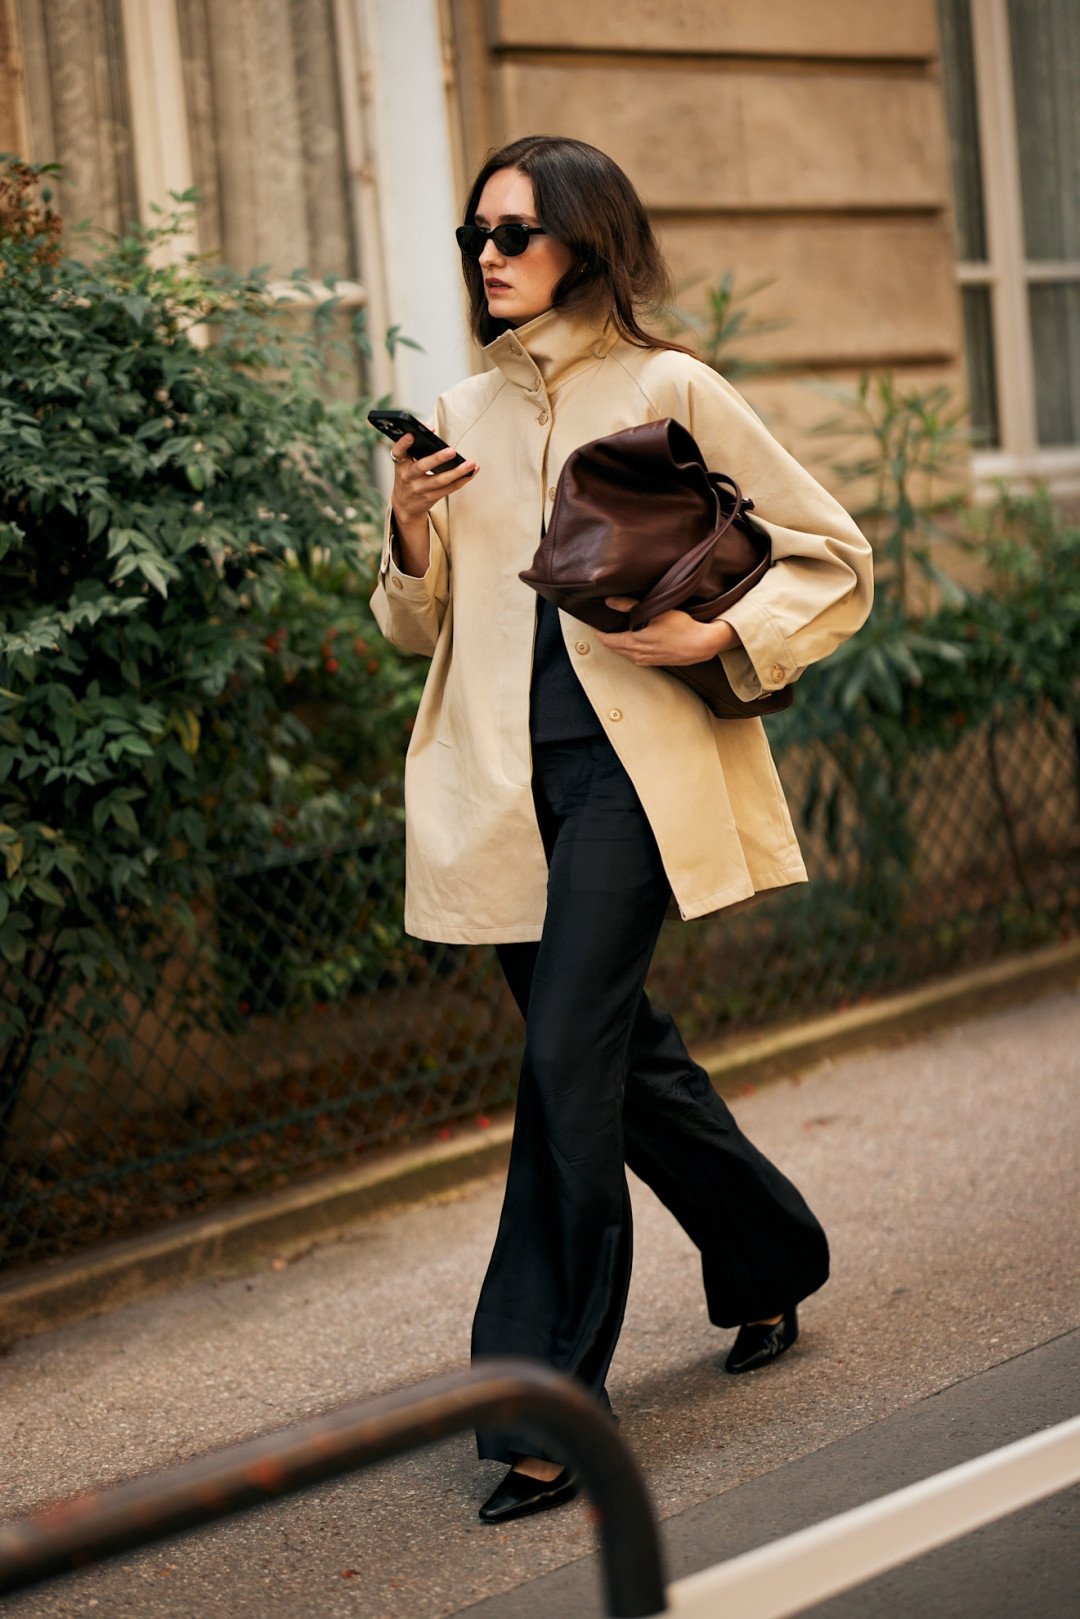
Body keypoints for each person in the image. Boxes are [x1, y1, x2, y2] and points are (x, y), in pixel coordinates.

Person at [370, 135, 873, 1524]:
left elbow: (832, 555)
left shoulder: (669, 387)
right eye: (479, 233)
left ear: (584, 243)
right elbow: (418, 627)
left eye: (515, 232)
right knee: (619, 1063)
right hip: (497, 796)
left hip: (629, 790)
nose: (488, 255)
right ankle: (770, 1254)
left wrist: (725, 629)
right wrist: (408, 531)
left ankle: (538, 1401)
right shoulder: (460, 404)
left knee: (559, 1067)